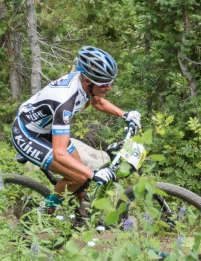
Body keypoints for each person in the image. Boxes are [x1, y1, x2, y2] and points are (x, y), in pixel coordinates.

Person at [11, 46, 141, 215]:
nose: (109, 87)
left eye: (110, 82)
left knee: (79, 167)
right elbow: (60, 154)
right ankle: (43, 212)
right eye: (104, 84)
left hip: (45, 129)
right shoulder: (64, 102)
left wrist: (125, 114)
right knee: (79, 176)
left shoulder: (83, 83)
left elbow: (97, 102)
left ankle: (82, 210)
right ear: (88, 81)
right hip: (26, 133)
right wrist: (94, 174)